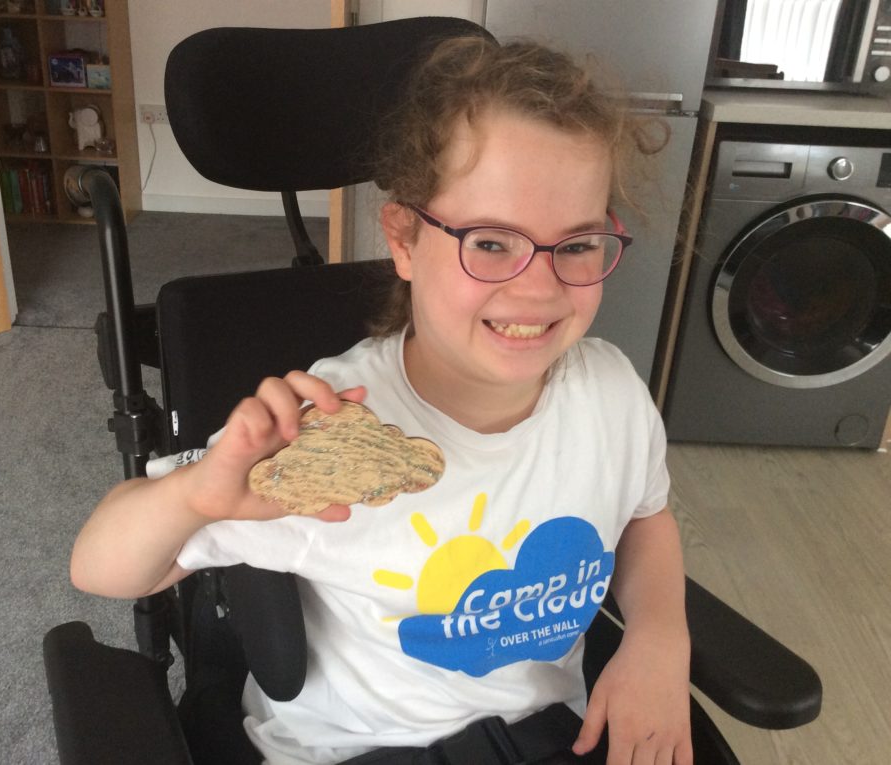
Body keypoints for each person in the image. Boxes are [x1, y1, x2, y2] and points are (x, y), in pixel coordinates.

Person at [70, 34, 692, 765]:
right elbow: (100, 567)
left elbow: (646, 514)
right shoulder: (322, 431)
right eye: (491, 243)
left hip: (548, 732)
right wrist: (192, 497)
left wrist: (659, 634)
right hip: (361, 750)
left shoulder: (611, 395)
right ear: (403, 238)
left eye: (578, 244)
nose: (538, 286)